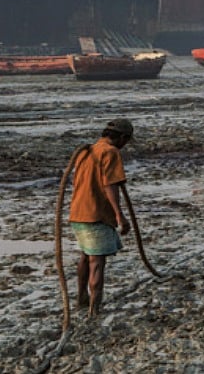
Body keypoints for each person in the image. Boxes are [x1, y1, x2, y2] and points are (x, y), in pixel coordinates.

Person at [69, 119, 134, 315]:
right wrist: (119, 215)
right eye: (126, 141)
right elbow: (110, 185)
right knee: (97, 262)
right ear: (122, 138)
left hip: (78, 211)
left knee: (86, 255)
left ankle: (82, 298)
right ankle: (94, 308)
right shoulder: (110, 152)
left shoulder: (87, 151)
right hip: (96, 214)